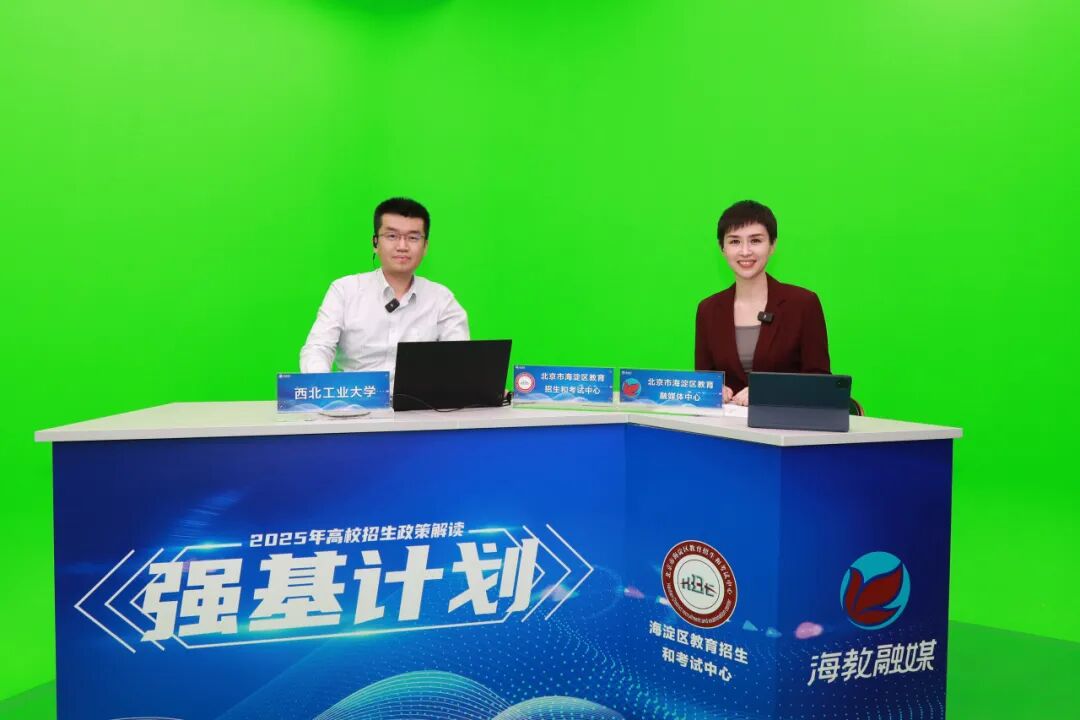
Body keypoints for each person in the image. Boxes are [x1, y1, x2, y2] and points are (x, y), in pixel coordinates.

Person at [300, 197, 469, 375]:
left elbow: (460, 359)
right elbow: (318, 348)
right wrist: (320, 383)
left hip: (417, 394)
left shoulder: (441, 299)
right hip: (359, 393)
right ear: (375, 243)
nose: (402, 246)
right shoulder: (345, 290)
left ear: (425, 246)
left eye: (413, 237)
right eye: (392, 236)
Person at [695, 200, 829, 406]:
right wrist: (711, 390)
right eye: (734, 241)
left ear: (772, 245)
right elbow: (702, 380)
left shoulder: (803, 304)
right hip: (728, 424)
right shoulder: (708, 309)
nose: (745, 251)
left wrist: (768, 391)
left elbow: (821, 383)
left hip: (786, 422)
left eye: (755, 240)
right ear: (722, 248)